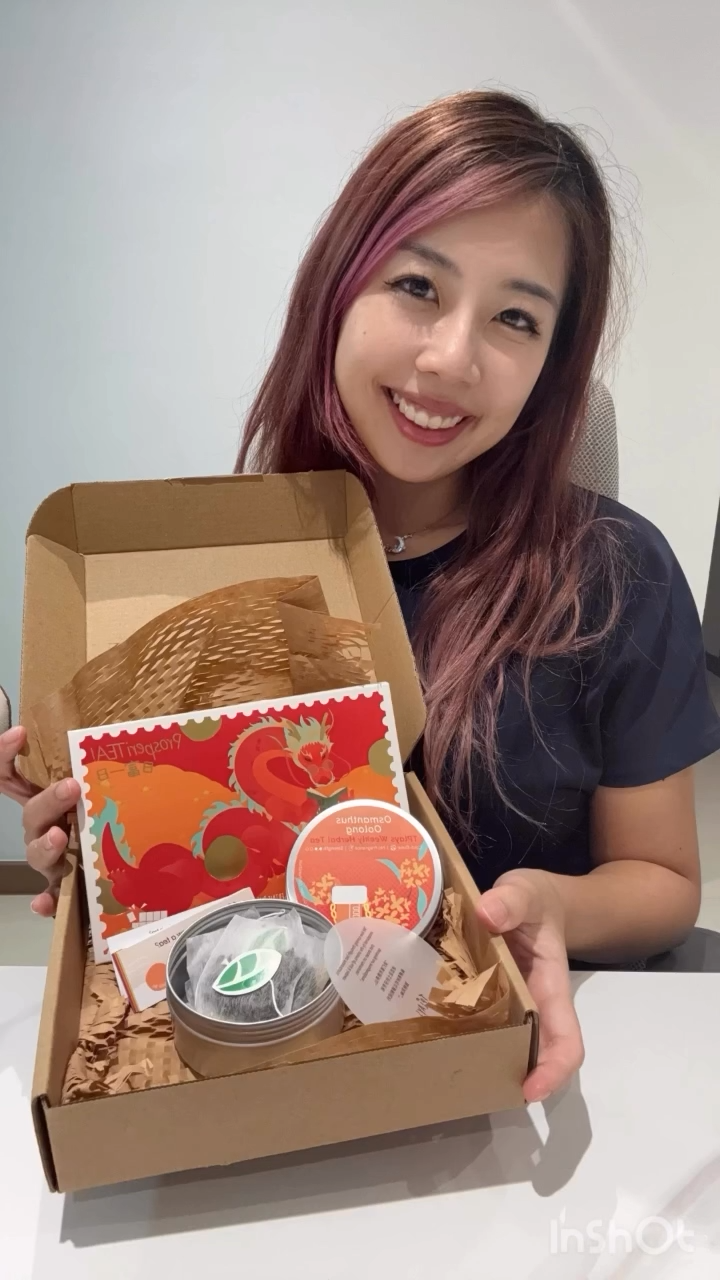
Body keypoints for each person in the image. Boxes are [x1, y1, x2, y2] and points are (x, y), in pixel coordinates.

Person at [2, 91, 719, 1105]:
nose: (451, 357)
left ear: (552, 364)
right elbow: (216, 879)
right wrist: (107, 851)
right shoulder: (234, 570)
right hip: (267, 1078)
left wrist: (549, 904)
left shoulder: (614, 577)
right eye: (419, 285)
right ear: (340, 286)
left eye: (516, 317)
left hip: (505, 1070)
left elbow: (666, 884)